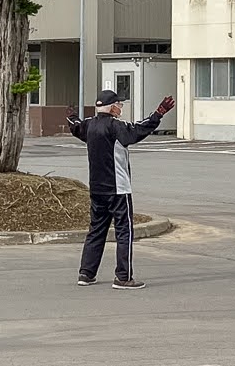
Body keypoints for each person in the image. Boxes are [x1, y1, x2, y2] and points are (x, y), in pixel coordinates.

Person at [68, 88, 174, 289]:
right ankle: (123, 277)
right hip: (118, 188)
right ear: (113, 107)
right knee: (124, 231)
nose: (121, 108)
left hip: (96, 188)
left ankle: (86, 273)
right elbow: (139, 129)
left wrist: (71, 116)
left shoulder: (89, 126)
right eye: (119, 104)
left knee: (96, 230)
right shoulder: (116, 127)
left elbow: (75, 126)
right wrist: (159, 113)